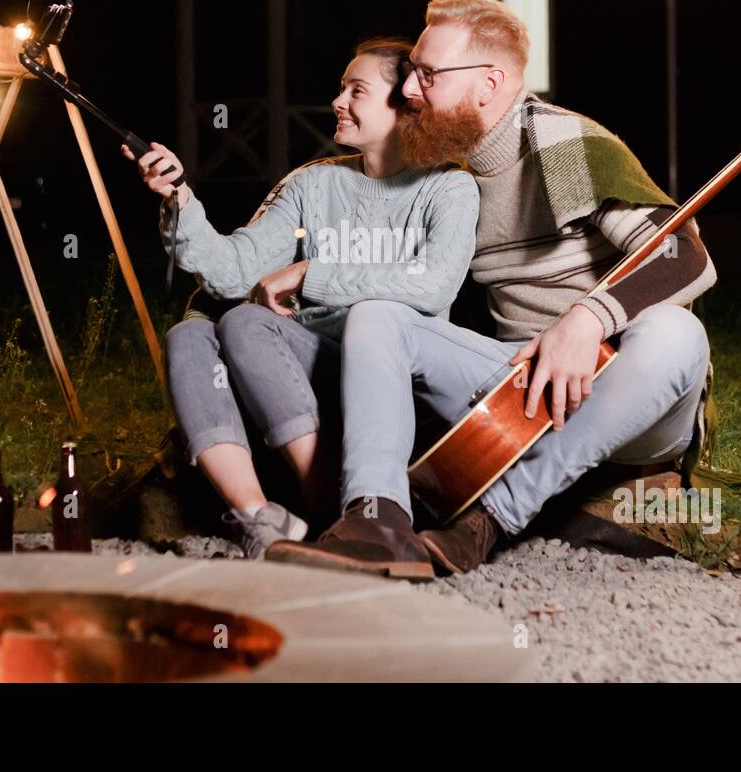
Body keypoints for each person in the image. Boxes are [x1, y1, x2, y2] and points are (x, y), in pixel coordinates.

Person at [267, 0, 717, 578]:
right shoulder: (444, 168)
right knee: (378, 313)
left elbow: (685, 256)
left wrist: (584, 321)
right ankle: (376, 521)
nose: (409, 89)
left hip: (624, 396)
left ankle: (487, 522)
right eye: (412, 74)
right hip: (516, 390)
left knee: (677, 332)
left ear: (489, 84)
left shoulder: (559, 148)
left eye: (428, 75)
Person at [124, 38, 479, 568]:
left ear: (406, 104)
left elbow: (434, 286)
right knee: (190, 334)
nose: (338, 102)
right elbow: (234, 270)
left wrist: (312, 274)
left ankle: (330, 506)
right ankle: (262, 520)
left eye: (357, 90)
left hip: (381, 378)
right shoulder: (314, 183)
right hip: (294, 363)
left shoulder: (448, 187)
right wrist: (179, 200)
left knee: (246, 323)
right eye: (341, 88)